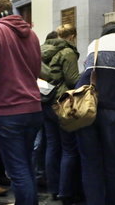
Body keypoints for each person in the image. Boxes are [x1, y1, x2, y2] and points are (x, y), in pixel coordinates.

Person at [0, 0, 42, 205]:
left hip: (9, 109)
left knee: (17, 170)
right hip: (33, 108)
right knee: (27, 167)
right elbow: (37, 69)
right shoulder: (31, 34)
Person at [76, 22, 115, 205]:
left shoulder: (95, 43)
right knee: (113, 163)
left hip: (85, 110)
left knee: (90, 164)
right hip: (113, 113)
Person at [41, 25, 82, 205]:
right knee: (68, 148)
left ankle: (53, 189)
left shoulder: (42, 51)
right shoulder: (68, 52)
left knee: (51, 146)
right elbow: (73, 80)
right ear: (72, 36)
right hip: (62, 103)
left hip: (45, 102)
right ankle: (66, 191)